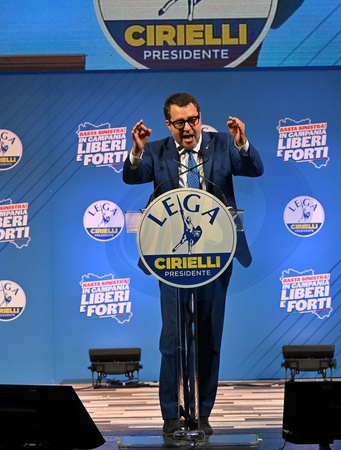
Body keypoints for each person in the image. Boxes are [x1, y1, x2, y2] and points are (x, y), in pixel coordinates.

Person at [123, 92, 264, 436]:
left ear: (200, 117)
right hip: (169, 258)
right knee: (172, 338)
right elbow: (132, 177)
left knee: (209, 337)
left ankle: (202, 413)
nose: (188, 128)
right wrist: (137, 151)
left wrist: (242, 142)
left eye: (193, 120)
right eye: (179, 122)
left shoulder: (223, 144)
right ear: (168, 124)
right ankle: (171, 415)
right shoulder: (156, 150)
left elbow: (254, 169)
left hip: (216, 255)